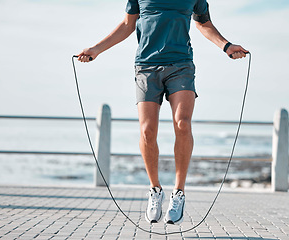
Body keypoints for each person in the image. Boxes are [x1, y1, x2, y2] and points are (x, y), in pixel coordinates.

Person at [77, 0, 248, 225]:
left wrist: (227, 46)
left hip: (181, 65)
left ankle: (179, 192)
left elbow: (204, 23)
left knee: (182, 123)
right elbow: (128, 24)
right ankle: (155, 190)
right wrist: (96, 49)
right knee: (147, 131)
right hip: (146, 67)